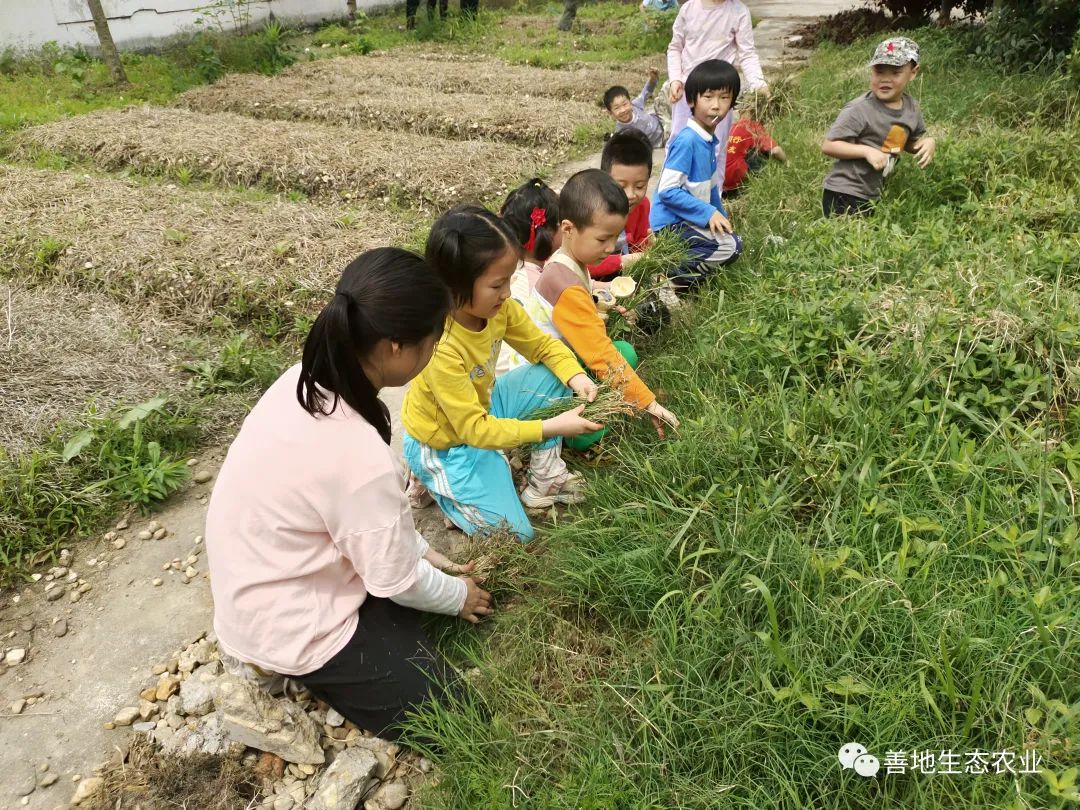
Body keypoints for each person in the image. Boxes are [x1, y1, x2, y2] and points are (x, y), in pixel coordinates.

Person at [204, 248, 492, 742]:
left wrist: (421, 551)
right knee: (459, 719)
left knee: (410, 611)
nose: (436, 350)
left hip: (271, 577)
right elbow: (397, 581)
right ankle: (301, 672)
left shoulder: (308, 376)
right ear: (396, 348)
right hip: (287, 621)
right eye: (434, 340)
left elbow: (352, 518)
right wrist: (458, 595)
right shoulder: (356, 457)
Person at [401, 205, 603, 541]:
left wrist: (576, 378)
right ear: (453, 286)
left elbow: (544, 347)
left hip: (483, 410)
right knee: (515, 535)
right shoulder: (441, 346)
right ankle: (435, 481)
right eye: (497, 285)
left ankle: (545, 478)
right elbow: (474, 431)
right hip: (449, 442)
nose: (508, 293)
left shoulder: (501, 309)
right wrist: (549, 427)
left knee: (557, 374)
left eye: (510, 279)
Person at [526, 169, 679, 448]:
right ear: (569, 229)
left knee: (625, 353)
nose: (611, 248)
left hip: (562, 360)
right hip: (547, 379)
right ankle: (567, 436)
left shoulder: (565, 261)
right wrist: (648, 403)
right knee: (593, 426)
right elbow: (599, 354)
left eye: (615, 237)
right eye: (602, 239)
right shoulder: (566, 285)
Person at [651, 59, 744, 291]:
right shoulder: (687, 141)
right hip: (671, 225)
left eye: (724, 98)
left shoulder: (709, 141)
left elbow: (712, 192)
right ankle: (680, 276)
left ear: (732, 103)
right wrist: (708, 213)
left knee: (734, 241)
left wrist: (721, 218)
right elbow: (667, 190)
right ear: (691, 101)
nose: (716, 106)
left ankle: (690, 273)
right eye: (708, 97)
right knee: (729, 248)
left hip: (689, 220)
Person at [821, 36, 935, 217]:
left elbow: (907, 143)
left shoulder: (912, 109)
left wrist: (927, 143)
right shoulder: (860, 109)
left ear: (913, 72)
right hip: (844, 191)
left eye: (896, 73)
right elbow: (829, 145)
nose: (885, 79)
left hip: (873, 193)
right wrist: (867, 151)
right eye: (879, 72)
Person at [666, 0, 768, 188]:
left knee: (716, 147)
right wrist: (675, 80)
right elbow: (675, 48)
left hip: (720, 93)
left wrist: (759, 84)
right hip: (689, 92)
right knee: (679, 142)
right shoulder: (689, 8)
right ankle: (673, 193)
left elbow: (747, 53)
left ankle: (713, 200)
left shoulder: (739, 11)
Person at [496, 178, 561, 375]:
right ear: (549, 231)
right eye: (561, 223)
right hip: (520, 372)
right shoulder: (537, 280)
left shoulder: (512, 268)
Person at [588, 129, 655, 281]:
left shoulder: (642, 205)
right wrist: (621, 261)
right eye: (621, 186)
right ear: (605, 178)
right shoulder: (591, 209)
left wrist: (648, 252)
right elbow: (582, 263)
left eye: (639, 186)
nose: (631, 195)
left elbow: (640, 244)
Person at [724, 105, 787, 194]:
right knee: (758, 152)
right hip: (734, 182)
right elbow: (775, 151)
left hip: (718, 184)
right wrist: (788, 164)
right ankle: (762, 184)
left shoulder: (730, 128)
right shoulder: (752, 126)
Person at [603, 68, 665, 149]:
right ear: (610, 113)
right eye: (617, 108)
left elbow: (646, 91)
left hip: (662, 123)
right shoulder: (622, 132)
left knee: (667, 88)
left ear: (630, 102)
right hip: (660, 142)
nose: (623, 110)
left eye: (624, 104)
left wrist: (653, 79)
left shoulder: (635, 105)